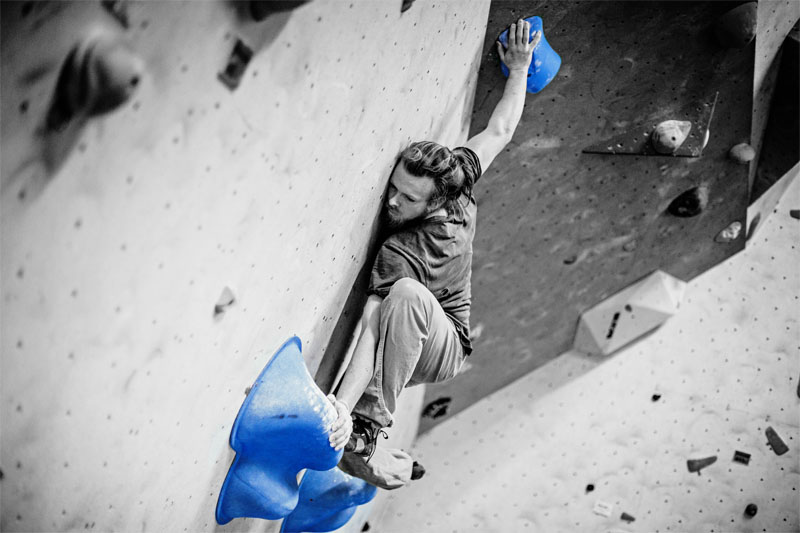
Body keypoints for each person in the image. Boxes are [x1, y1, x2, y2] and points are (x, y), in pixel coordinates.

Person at [326, 19, 541, 489]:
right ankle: (357, 426)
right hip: (405, 333)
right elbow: (500, 129)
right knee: (403, 299)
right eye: (394, 188)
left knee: (406, 294)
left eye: (407, 199)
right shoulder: (458, 173)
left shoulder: (405, 248)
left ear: (439, 200)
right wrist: (518, 70)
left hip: (445, 349)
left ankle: (363, 434)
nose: (392, 203)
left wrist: (343, 409)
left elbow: (374, 324)